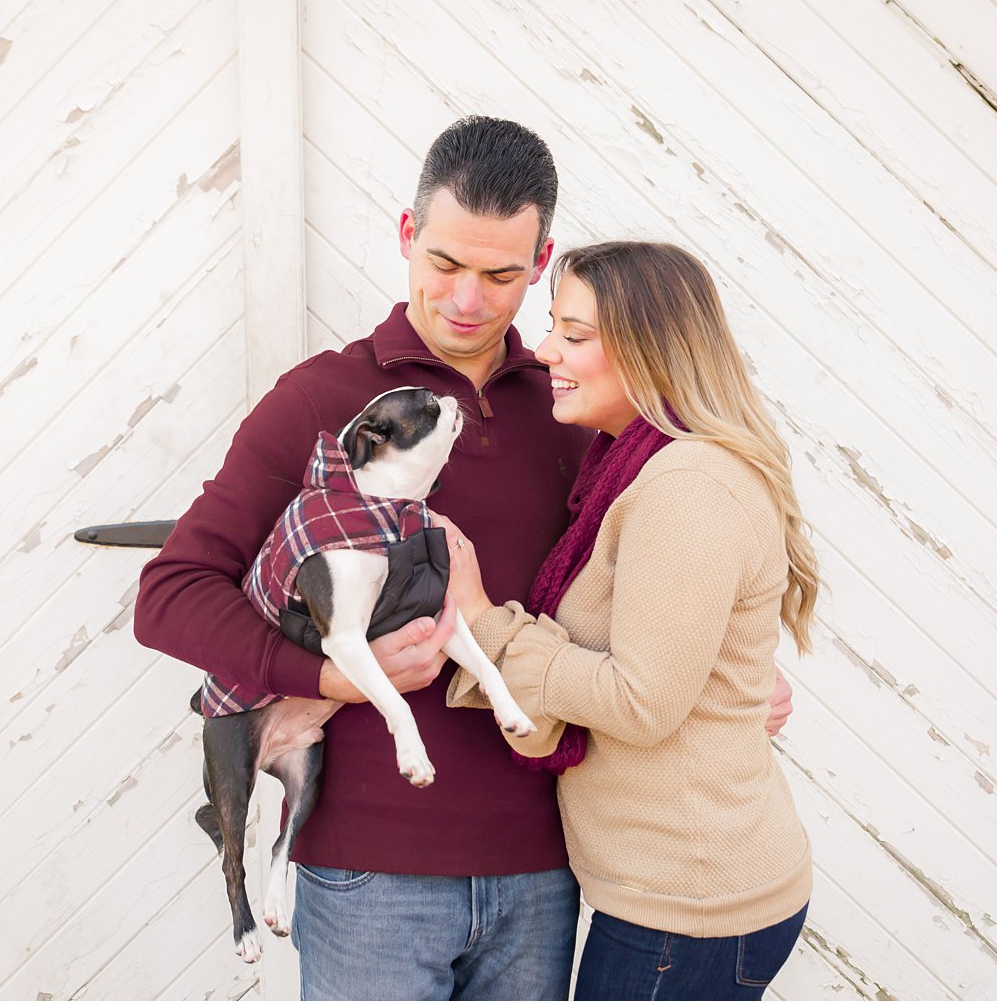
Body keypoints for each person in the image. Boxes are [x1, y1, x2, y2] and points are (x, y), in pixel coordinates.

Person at [135, 117, 794, 1000]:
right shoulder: (322, 400)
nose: (469, 301)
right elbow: (170, 594)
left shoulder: (575, 408)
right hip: (371, 877)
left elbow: (664, 575)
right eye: (444, 263)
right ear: (407, 235)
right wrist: (319, 677)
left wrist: (730, 671)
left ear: (542, 258)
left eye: (501, 274)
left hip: (547, 872)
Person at [439, 240, 819, 1001]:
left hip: (691, 904)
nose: (545, 349)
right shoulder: (632, 468)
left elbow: (642, 702)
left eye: (574, 335)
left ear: (650, 349)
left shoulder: (686, 486)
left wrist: (482, 617)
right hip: (676, 893)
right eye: (555, 326)